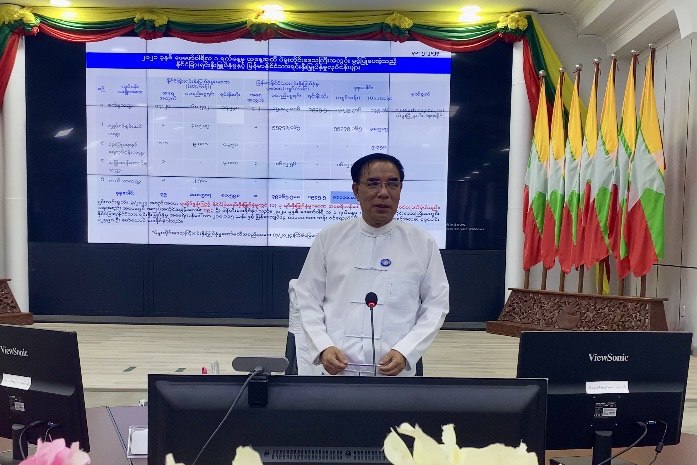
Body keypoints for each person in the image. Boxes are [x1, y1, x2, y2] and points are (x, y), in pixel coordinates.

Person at [294, 153, 449, 376]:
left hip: (394, 372)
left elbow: (436, 305)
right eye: (373, 183)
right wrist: (323, 346)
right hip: (336, 370)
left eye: (392, 184)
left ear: (400, 190)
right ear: (356, 190)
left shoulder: (421, 242)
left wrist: (406, 350)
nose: (383, 193)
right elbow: (307, 297)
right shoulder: (330, 238)